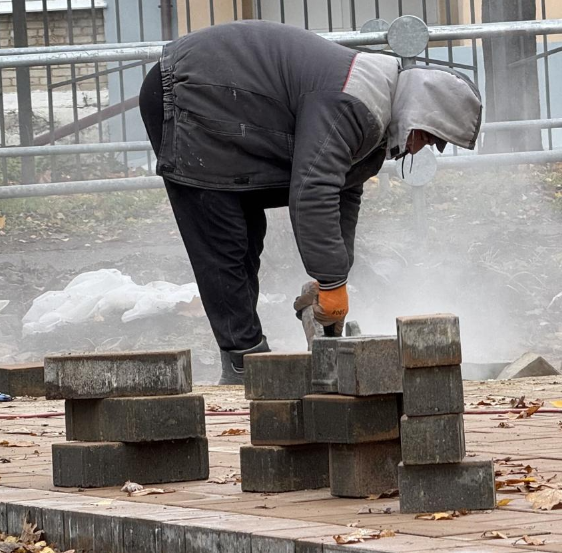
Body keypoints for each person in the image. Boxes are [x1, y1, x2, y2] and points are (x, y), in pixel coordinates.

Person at [139, 20, 482, 385]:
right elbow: (312, 191)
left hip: (232, 104)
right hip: (188, 90)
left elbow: (343, 191)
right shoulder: (354, 102)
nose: (422, 148)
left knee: (246, 235)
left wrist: (332, 277)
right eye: (429, 137)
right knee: (224, 237)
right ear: (418, 115)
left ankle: (246, 358)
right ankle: (243, 361)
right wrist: (332, 282)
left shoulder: (376, 108)